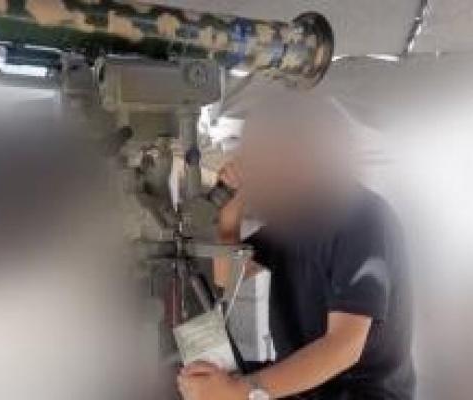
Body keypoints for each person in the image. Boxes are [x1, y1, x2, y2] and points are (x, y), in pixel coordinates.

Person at [177, 94, 415, 399]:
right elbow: (234, 287)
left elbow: (344, 346)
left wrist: (242, 392)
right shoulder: (285, 228)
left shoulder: (363, 217)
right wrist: (229, 222)